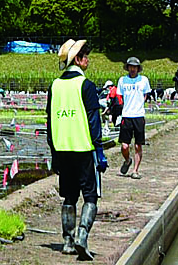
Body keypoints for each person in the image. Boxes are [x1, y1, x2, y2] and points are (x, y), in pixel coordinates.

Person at [47, 39, 108, 260]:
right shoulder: (86, 86)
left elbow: (50, 122)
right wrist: (99, 152)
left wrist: (53, 153)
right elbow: (94, 121)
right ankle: (82, 236)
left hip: (62, 149)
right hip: (83, 148)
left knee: (69, 196)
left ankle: (67, 242)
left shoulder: (54, 86)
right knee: (90, 195)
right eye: (85, 56)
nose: (88, 59)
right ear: (79, 60)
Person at [117, 56, 152, 178]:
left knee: (138, 145)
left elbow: (145, 94)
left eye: (135, 67)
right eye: (131, 67)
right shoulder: (122, 80)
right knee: (124, 145)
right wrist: (124, 106)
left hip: (138, 115)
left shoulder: (143, 80)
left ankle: (135, 170)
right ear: (128, 68)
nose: (133, 69)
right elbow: (119, 96)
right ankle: (127, 160)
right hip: (126, 115)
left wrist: (139, 105)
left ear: (138, 68)